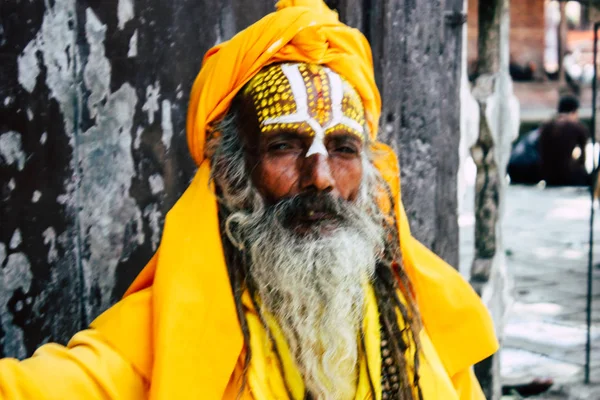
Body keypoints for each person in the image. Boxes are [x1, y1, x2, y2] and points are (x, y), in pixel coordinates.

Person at [0, 1, 498, 398]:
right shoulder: (168, 328)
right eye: (285, 147)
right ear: (234, 174)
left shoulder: (411, 319)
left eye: (343, 150)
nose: (320, 178)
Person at [538, 95, 591, 186]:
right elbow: (583, 158)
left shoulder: (545, 126)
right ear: (574, 112)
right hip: (568, 177)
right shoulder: (578, 127)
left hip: (548, 176)